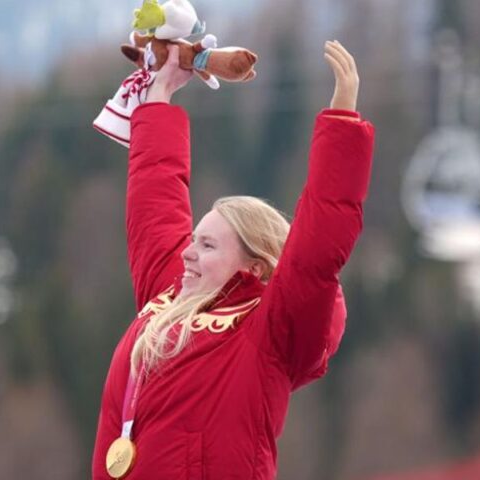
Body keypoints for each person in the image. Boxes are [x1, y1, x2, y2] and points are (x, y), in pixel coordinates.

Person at [92, 40, 375, 479]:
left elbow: (318, 246)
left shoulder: (267, 331)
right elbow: (156, 198)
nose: (187, 253)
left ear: (254, 267)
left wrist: (341, 122)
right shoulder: (169, 296)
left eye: (208, 246)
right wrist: (159, 94)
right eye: (194, 240)